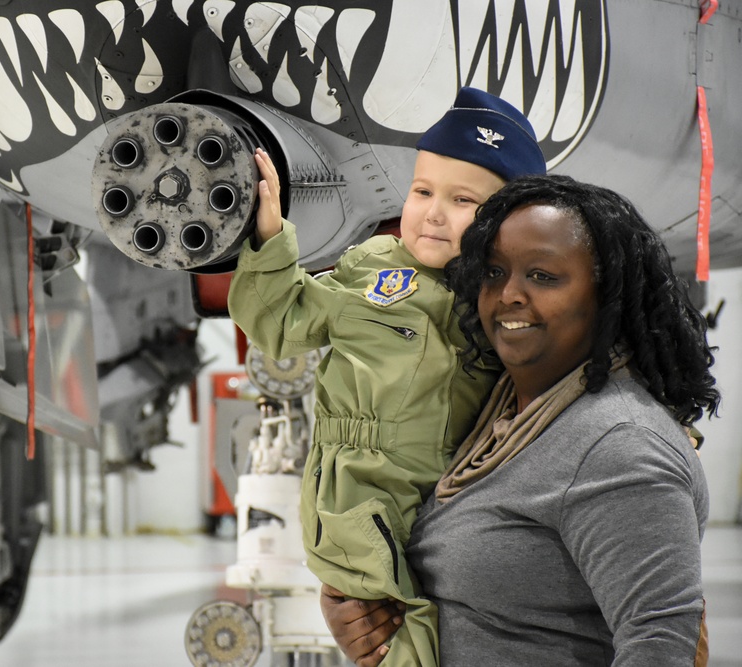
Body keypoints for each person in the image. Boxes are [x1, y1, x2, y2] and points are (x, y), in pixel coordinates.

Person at [320, 174, 718, 666]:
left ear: (606, 295)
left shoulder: (618, 446)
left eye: (542, 276)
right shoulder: (502, 411)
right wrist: (369, 620)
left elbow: (659, 646)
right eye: (492, 273)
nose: (508, 293)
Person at [227, 88, 546, 666]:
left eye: (463, 200)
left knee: (461, 628)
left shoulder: (503, 299)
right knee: (405, 643)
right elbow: (283, 321)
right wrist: (270, 240)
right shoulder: (374, 267)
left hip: (449, 499)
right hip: (361, 499)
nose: (432, 212)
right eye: (422, 190)